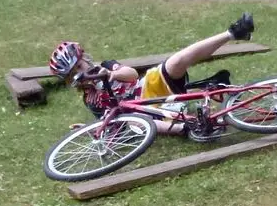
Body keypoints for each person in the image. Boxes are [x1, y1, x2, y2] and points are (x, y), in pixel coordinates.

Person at [48, 13, 255, 133]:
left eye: (79, 65)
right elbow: (111, 121)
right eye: (73, 73)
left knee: (174, 62)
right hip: (141, 114)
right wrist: (90, 127)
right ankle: (190, 127)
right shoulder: (90, 99)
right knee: (134, 121)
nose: (80, 72)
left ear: (84, 58)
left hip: (148, 89)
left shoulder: (106, 66)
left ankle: (233, 32)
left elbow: (131, 75)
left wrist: (111, 74)